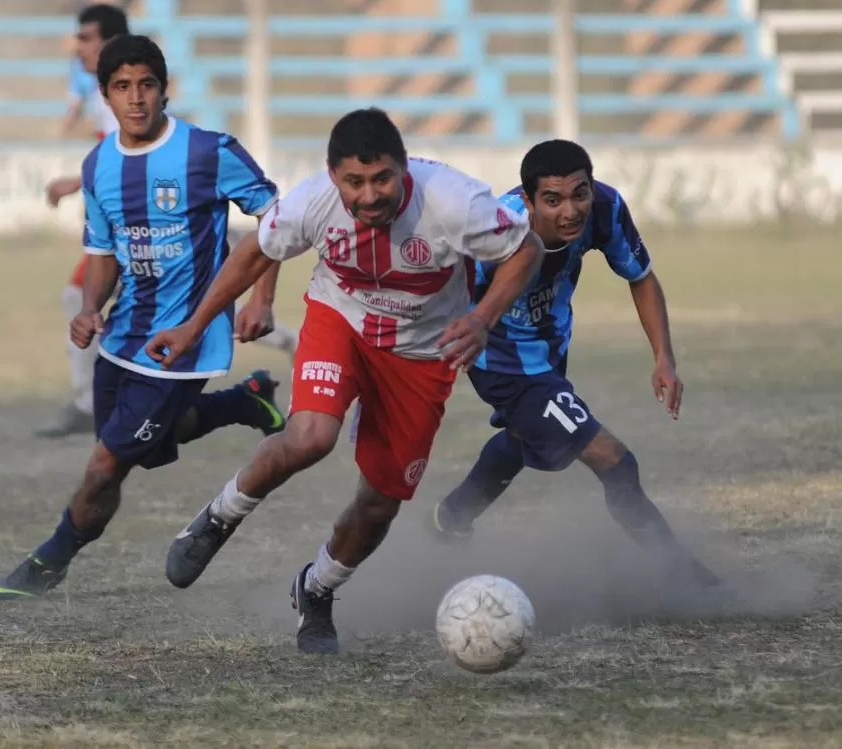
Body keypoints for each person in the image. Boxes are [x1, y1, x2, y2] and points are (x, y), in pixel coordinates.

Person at [144, 107, 546, 654]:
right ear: (333, 176)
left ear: (404, 169)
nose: (369, 194)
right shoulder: (314, 201)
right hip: (341, 321)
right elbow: (256, 251)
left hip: (421, 354)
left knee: (380, 500)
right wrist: (193, 326)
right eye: (353, 181)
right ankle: (219, 517)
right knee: (312, 435)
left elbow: (527, 249)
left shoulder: (454, 201)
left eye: (382, 178)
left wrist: (482, 318)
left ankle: (317, 590)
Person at [0, 35, 288, 600]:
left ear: (164, 89)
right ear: (105, 95)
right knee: (144, 447)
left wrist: (262, 299)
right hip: (123, 336)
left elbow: (276, 217)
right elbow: (102, 251)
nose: (136, 98)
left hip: (186, 341)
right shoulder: (99, 164)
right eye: (122, 87)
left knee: (106, 465)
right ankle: (244, 400)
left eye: (146, 84)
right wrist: (88, 310)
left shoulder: (208, 151)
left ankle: (50, 559)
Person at [428, 139, 720, 589]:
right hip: (500, 360)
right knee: (615, 460)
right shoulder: (494, 230)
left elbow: (640, 278)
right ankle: (688, 580)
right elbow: (442, 298)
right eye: (552, 200)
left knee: (525, 439)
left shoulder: (605, 207)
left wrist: (664, 356)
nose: (570, 211)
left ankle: (451, 519)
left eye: (578, 193)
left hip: (549, 350)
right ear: (528, 200)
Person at [37, 3, 132, 438]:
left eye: (86, 38)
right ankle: (90, 401)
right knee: (80, 297)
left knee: (81, 297)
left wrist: (77, 184)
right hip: (122, 218)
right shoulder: (102, 90)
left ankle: (90, 402)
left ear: (109, 42)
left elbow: (127, 153)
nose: (78, 47)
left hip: (138, 220)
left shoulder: (122, 88)